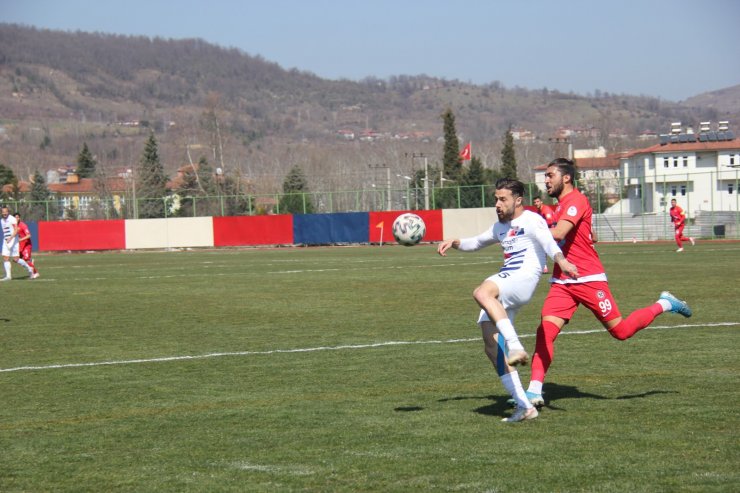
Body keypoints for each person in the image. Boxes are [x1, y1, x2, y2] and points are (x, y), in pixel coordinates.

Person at [523, 158, 692, 408]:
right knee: (544, 331)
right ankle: (534, 391)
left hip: (588, 279)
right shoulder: (558, 206)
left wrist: (522, 232)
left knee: (621, 332)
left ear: (566, 178)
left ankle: (664, 303)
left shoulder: (576, 200)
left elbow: (558, 234)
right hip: (563, 281)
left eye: (550, 175)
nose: (545, 180)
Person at [437, 178, 579, 422]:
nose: (498, 204)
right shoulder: (500, 227)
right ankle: (525, 406)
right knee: (491, 345)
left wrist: (562, 260)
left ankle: (515, 345)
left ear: (518, 200)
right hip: (509, 280)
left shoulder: (532, 219)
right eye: (496, 199)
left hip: (522, 277)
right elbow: (477, 242)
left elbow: (547, 241)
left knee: (482, 292)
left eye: (503, 199)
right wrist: (456, 242)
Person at [1, 206, 35, 280]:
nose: (4, 213)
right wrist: (7, 239)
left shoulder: (12, 219)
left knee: (16, 259)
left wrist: (11, 238)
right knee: (5, 257)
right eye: (3, 212)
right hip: (6, 240)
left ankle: (30, 269)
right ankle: (8, 276)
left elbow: (16, 230)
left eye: (6, 212)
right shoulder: (2, 220)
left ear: (8, 212)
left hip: (13, 240)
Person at [14, 212, 39, 278]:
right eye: (15, 217)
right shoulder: (13, 225)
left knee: (26, 259)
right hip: (20, 245)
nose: (16, 218)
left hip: (26, 245)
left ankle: (35, 273)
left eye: (17, 217)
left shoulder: (23, 225)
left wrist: (20, 240)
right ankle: (30, 264)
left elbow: (29, 235)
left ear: (19, 218)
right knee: (16, 259)